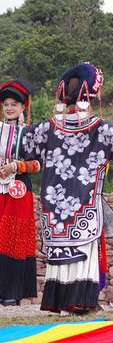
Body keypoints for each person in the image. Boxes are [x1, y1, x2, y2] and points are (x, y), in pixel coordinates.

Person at [0, 62, 113, 313]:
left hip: (56, 205)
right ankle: (81, 300)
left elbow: (19, 140)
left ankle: (59, 301)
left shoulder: (48, 128)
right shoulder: (99, 128)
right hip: (84, 204)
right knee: (84, 250)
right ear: (89, 97)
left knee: (62, 252)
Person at [0, 79, 40, 306]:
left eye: (14, 103)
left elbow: (39, 163)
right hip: (0, 191)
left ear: (23, 107)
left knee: (14, 237)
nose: (9, 107)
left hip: (19, 190)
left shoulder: (30, 134)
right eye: (6, 104)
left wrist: (17, 166)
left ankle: (12, 292)